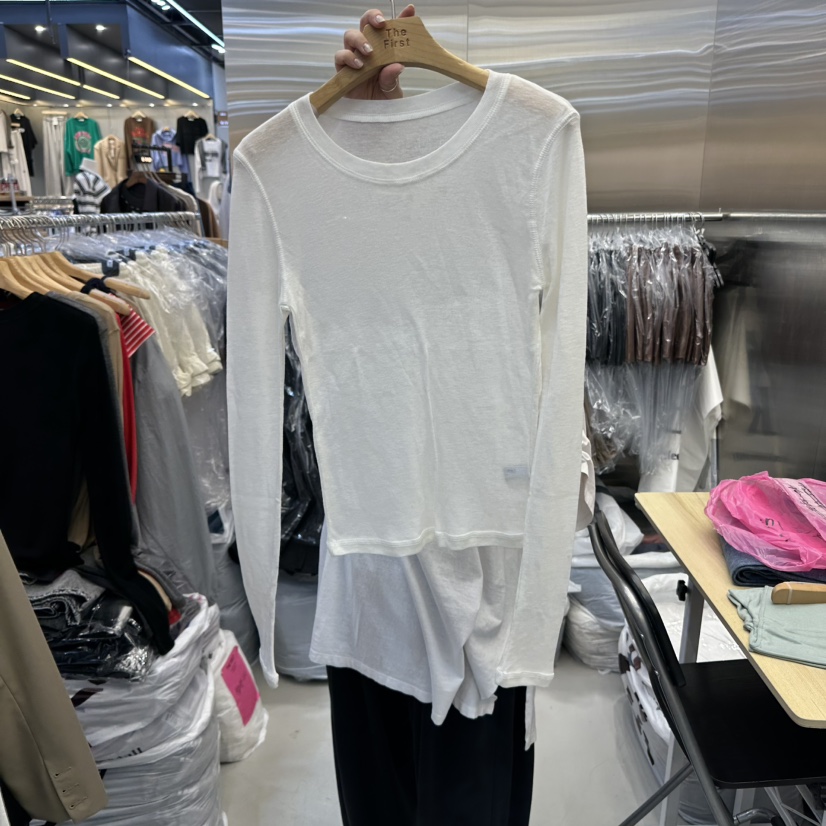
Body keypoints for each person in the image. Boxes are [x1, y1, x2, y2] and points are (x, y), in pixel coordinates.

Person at [307, 7, 593, 825]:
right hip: (371, 597)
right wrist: (361, 131)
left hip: (486, 613)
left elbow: (558, 396)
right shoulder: (310, 170)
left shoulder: (535, 143)